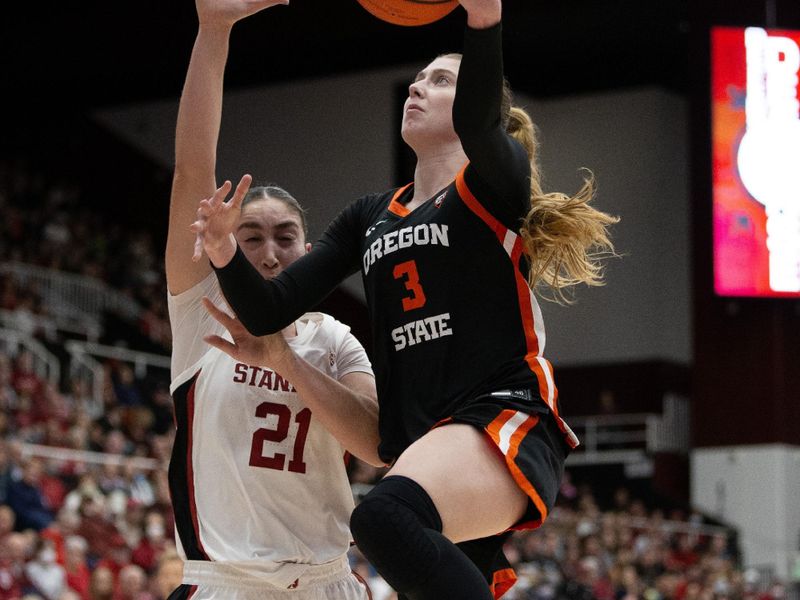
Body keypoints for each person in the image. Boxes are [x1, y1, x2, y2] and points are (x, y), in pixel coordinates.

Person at [192, 0, 618, 597]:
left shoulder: (491, 186)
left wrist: (484, 18)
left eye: (439, 80)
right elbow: (267, 312)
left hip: (501, 413)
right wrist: (221, 250)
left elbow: (481, 125)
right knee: (397, 530)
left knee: (381, 518)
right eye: (416, 80)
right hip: (427, 442)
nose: (417, 87)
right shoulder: (369, 215)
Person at [164, 0, 379, 598]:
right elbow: (192, 168)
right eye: (249, 236)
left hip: (327, 581)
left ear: (309, 252)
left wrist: (289, 362)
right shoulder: (201, 306)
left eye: (285, 237)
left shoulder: (333, 337)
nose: (268, 251)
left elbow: (375, 445)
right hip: (226, 582)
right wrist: (213, 31)